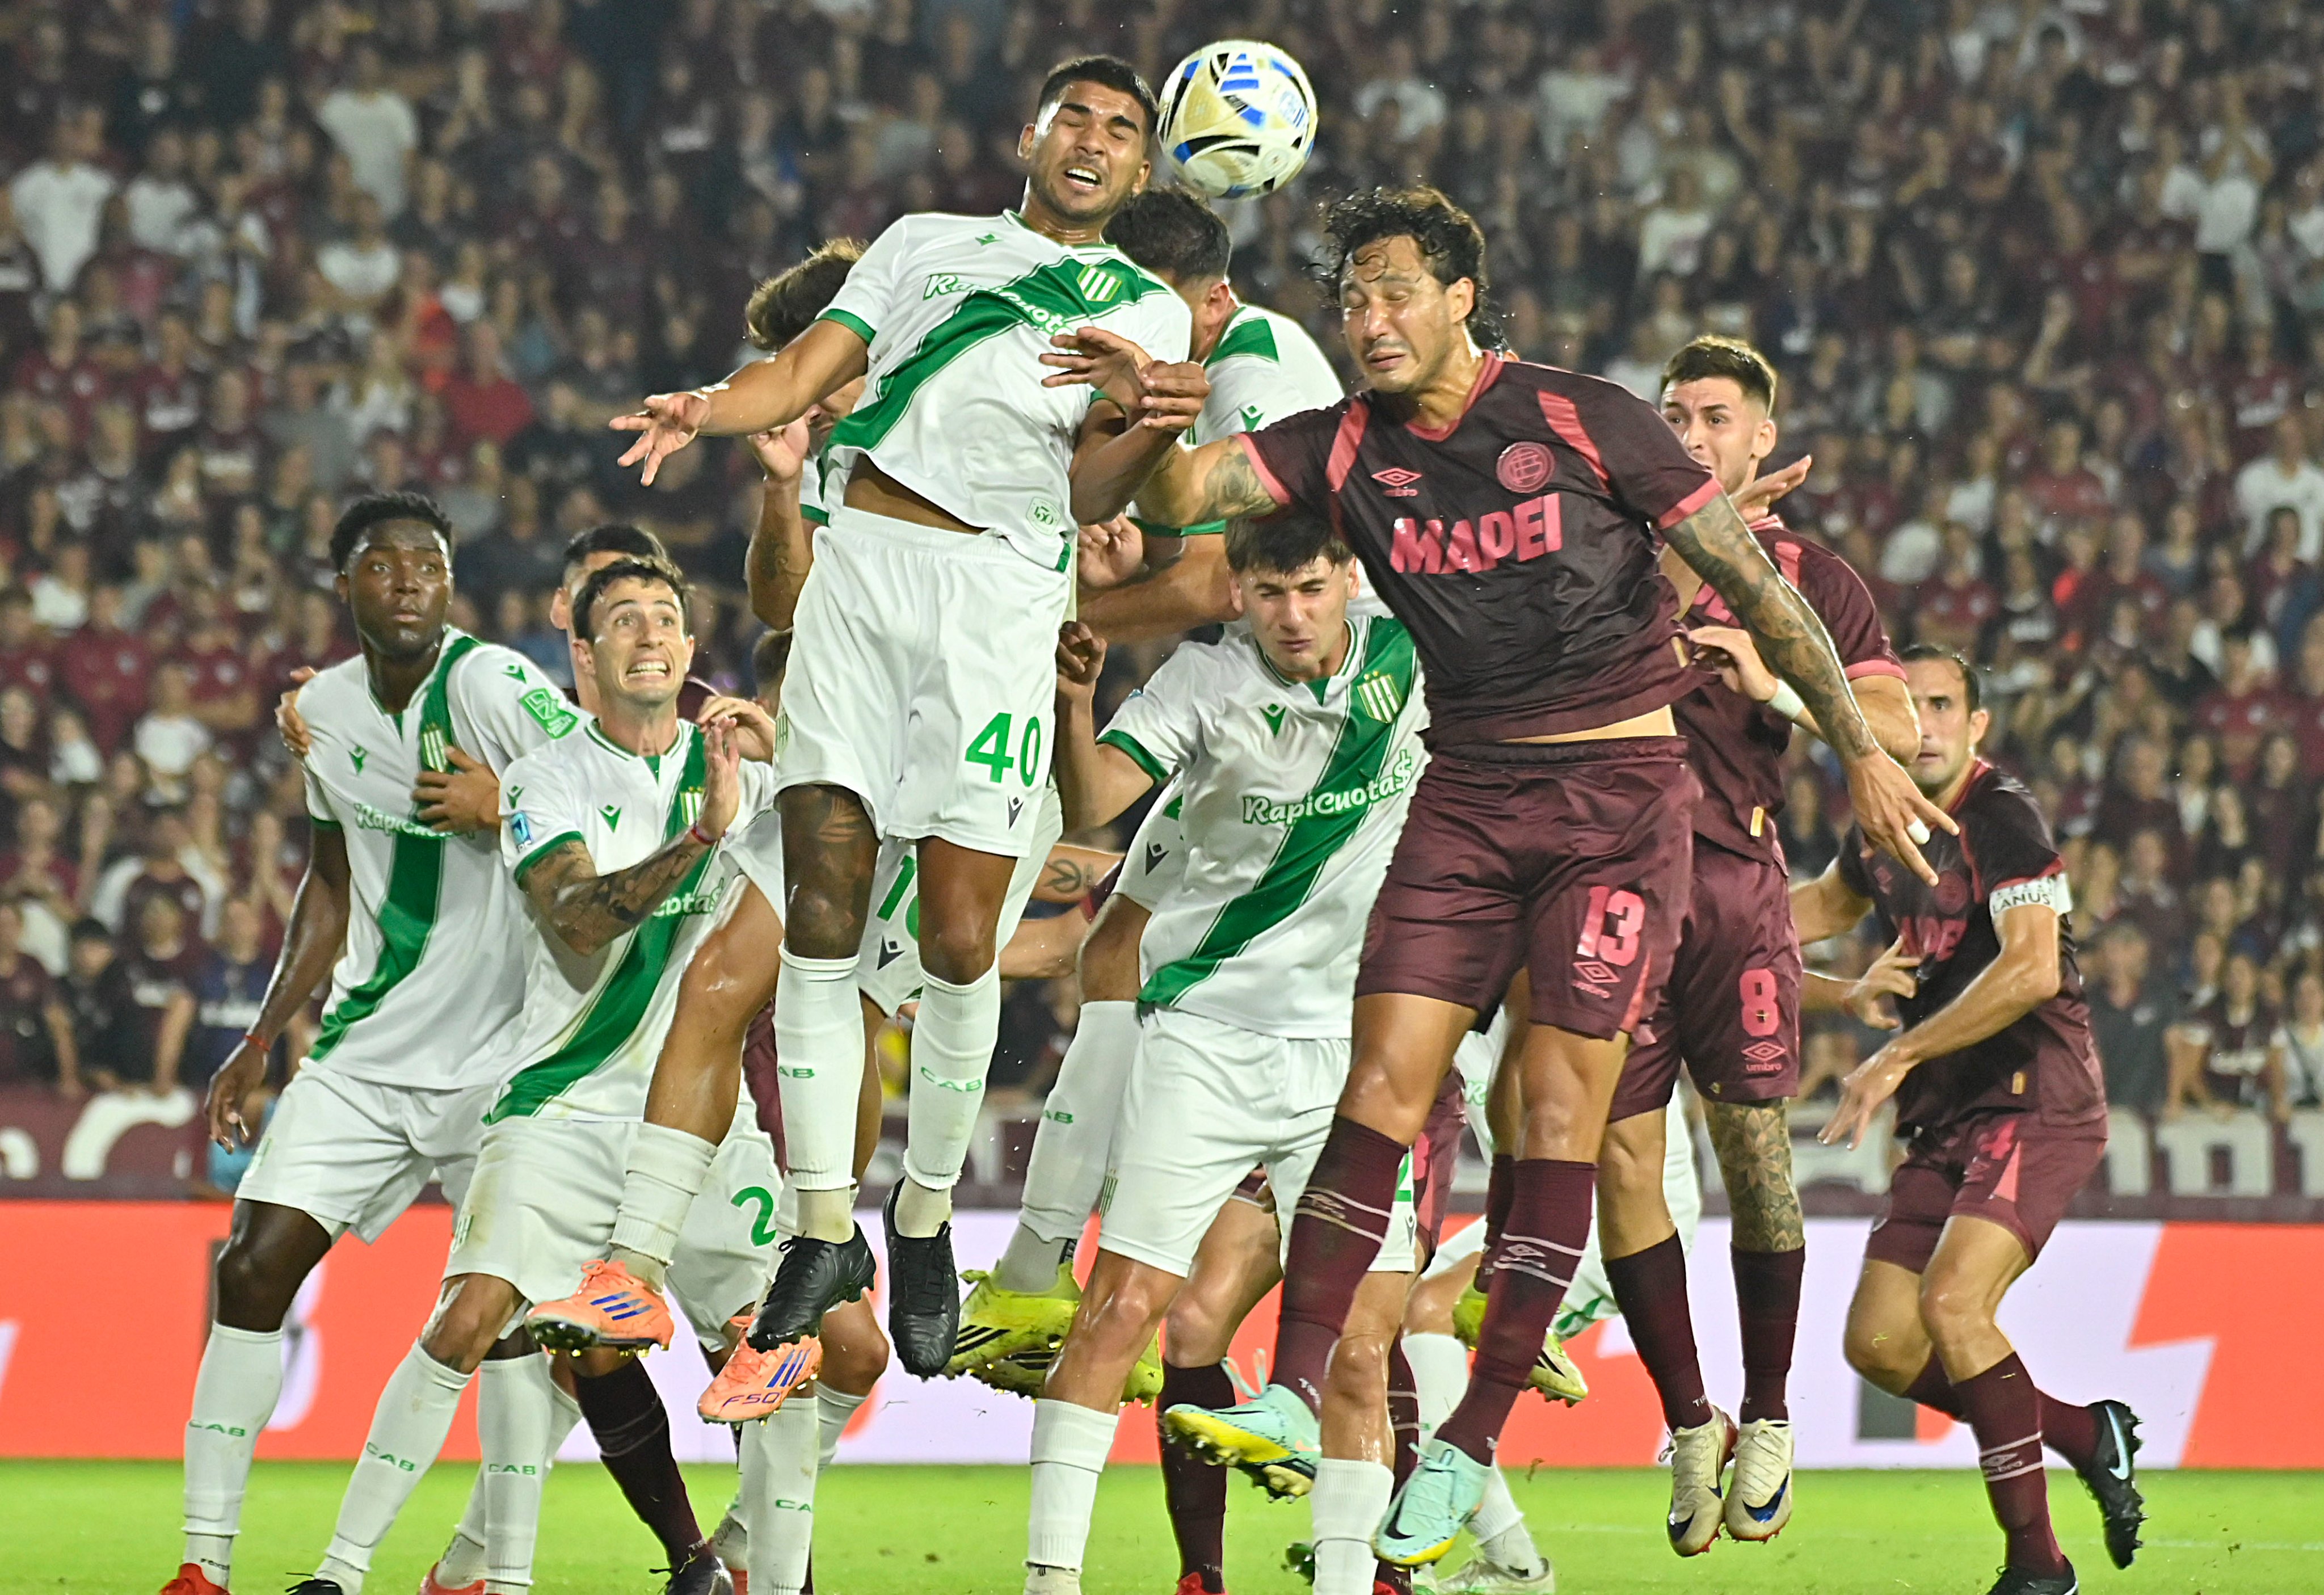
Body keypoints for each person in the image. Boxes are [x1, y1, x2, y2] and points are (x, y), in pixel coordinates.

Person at [1106, 184, 1947, 1563]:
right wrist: (1148, 417)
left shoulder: (1581, 418)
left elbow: (1756, 583)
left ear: (1456, 298)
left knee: (1559, 1111)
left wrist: (1856, 745)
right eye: (1347, 299)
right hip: (1466, 788)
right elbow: (1185, 493)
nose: (1366, 319)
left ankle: (1472, 1440)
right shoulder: (1341, 446)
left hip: (1616, 805)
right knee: (1379, 1083)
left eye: (1391, 292)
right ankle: (1291, 1382)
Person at [604, 56, 1200, 1374]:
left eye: (1121, 131)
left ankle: (922, 1214)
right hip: (863, 571)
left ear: (1142, 171)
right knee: (820, 897)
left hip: (996, 591)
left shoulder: (1150, 309)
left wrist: (1151, 418)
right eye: (1075, 119)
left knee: (957, 933)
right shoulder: (923, 244)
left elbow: (1093, 479)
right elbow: (808, 367)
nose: (1094, 142)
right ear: (1029, 136)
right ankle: (826, 1226)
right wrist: (703, 409)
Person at [289, 557, 781, 1595]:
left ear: (693, 653)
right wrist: (702, 840)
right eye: (624, 623)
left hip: (707, 1124)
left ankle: (732, 1557)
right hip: (565, 1104)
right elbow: (573, 924)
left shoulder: (759, 780)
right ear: (588, 656)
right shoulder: (546, 778)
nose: (650, 636)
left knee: (803, 1353)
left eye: (667, 619)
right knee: (471, 1319)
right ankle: (340, 1572)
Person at [952, 183, 1346, 1387]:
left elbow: (1226, 586)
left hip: (1326, 702)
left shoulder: (1261, 361)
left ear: (1211, 306)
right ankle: (1032, 1272)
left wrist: (1038, 603)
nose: (1122, 326)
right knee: (1115, 942)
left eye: (1148, 307)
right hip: (1254, 690)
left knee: (1152, 950)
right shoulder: (1156, 366)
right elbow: (1167, 557)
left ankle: (1045, 1271)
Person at [159, 493, 579, 1595]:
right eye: (383, 565)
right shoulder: (324, 711)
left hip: (503, 1059)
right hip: (363, 1049)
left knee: (527, 1328)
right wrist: (261, 1033)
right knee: (250, 1265)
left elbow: (607, 772)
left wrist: (512, 796)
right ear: (342, 586)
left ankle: (484, 1559)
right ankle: (204, 1560)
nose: (408, 581)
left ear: (449, 585)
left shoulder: (489, 684)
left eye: (428, 565)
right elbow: (331, 880)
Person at [1021, 511, 1428, 1595]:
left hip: (1352, 1055)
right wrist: (1075, 701)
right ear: (1238, 597)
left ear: (1347, 580)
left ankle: (1347, 1579)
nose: (1291, 615)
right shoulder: (1203, 683)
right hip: (1203, 1038)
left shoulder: (1413, 648)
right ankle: (1050, 1578)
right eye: (1267, 595)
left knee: (1358, 1342)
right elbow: (1099, 799)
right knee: (1124, 1310)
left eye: (1309, 589)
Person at [1593, 334, 1921, 1553]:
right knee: (1620, 1170)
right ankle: (1690, 1418)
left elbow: (1888, 719)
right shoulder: (1605, 549)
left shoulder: (1806, 574)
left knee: (1755, 1165)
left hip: (1733, 888)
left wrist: (1778, 678)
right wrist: (1685, 555)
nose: (1685, 432)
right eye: (1669, 413)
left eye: (1712, 416)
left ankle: (1771, 1415)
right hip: (1601, 889)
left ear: (1759, 438)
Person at [1792, 646, 2144, 1595]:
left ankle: (2038, 1569)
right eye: (1910, 707)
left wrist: (1897, 1052)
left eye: (1946, 705)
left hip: (2040, 1102)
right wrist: (1702, 919)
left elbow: (2032, 968)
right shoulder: (1881, 821)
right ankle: (2083, 1432)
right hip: (1946, 1118)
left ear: (1977, 724)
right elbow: (1818, 907)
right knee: (1879, 1343)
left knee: (1953, 1305)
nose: (1929, 724)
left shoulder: (2002, 816)